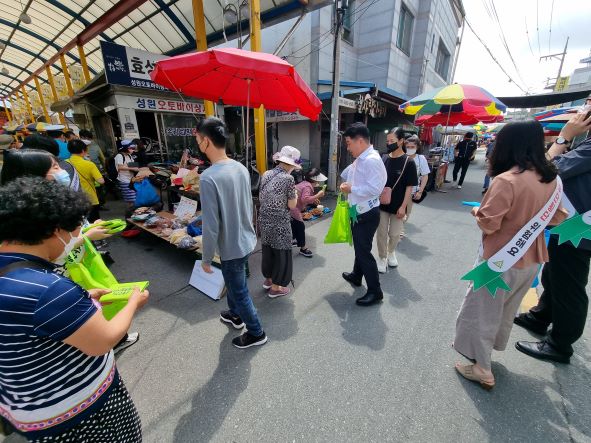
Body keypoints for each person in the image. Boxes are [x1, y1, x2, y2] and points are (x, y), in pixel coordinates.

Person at [0, 177, 148, 442]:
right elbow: (103, 340)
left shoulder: (14, 273)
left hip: (26, 410)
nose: (75, 238)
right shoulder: (48, 289)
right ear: (55, 230)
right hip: (80, 418)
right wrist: (132, 302)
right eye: (73, 232)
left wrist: (81, 302)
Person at [453, 120, 567, 390]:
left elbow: (489, 223)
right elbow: (557, 219)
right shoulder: (551, 179)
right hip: (531, 259)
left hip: (500, 260)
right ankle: (489, 350)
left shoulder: (506, 180)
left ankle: (482, 368)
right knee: (505, 311)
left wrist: (476, 212)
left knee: (482, 311)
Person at [514, 112, 591, 364]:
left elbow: (551, 168)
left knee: (569, 282)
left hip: (580, 225)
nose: (583, 110)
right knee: (554, 272)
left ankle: (560, 343)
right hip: (573, 221)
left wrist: (565, 136)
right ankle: (541, 316)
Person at [197, 117, 267, 349]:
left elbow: (211, 224)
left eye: (198, 139)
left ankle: (256, 332)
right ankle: (235, 315)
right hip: (246, 239)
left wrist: (206, 258)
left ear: (206, 141)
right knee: (234, 281)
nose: (198, 143)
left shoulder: (208, 177)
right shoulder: (240, 168)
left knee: (239, 289)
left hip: (231, 246)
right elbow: (248, 205)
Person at [340, 123, 387, 306]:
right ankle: (356, 275)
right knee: (360, 247)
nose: (347, 147)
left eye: (349, 143)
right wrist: (348, 186)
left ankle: (375, 291)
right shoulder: (361, 158)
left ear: (360, 141)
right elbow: (350, 176)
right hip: (358, 209)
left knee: (363, 251)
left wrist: (352, 188)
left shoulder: (371, 160)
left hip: (366, 212)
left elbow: (375, 188)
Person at [259, 145, 300, 297]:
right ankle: (276, 288)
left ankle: (268, 280)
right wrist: (294, 193)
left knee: (268, 250)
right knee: (281, 253)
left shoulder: (266, 173)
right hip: (280, 222)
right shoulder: (288, 179)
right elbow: (292, 205)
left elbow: (263, 196)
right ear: (290, 164)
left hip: (264, 219)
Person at [376, 127, 417, 272]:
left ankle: (391, 251)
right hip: (382, 203)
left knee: (394, 233)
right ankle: (382, 257)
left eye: (392, 141)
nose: (389, 143)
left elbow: (409, 188)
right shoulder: (384, 158)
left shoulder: (409, 162)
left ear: (401, 141)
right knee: (381, 232)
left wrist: (403, 207)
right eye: (387, 141)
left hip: (399, 205)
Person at [290, 167, 327, 258]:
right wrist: (317, 195)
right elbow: (305, 198)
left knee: (295, 224)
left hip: (291, 207)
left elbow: (304, 198)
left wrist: (314, 200)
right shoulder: (307, 186)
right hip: (294, 208)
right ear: (315, 180)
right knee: (300, 226)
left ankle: (294, 240)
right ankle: (303, 248)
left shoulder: (304, 183)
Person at [67, 139, 105, 222]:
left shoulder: (65, 163)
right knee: (94, 222)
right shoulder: (89, 164)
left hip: (73, 198)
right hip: (89, 198)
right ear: (83, 150)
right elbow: (101, 181)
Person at [405, 135, 430, 227]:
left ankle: (400, 230)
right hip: (398, 189)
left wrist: (420, 191)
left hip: (412, 190)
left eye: (412, 147)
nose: (410, 149)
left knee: (407, 211)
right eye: (408, 147)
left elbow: (425, 176)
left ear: (417, 147)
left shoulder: (421, 159)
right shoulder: (401, 156)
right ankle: (397, 230)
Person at [115, 140, 140, 213]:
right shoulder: (119, 156)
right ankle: (131, 215)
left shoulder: (129, 155)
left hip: (131, 179)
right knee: (131, 200)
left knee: (134, 199)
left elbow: (133, 165)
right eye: (131, 148)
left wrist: (139, 169)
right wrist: (132, 168)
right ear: (125, 148)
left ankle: (133, 213)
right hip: (124, 180)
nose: (132, 149)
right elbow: (120, 167)